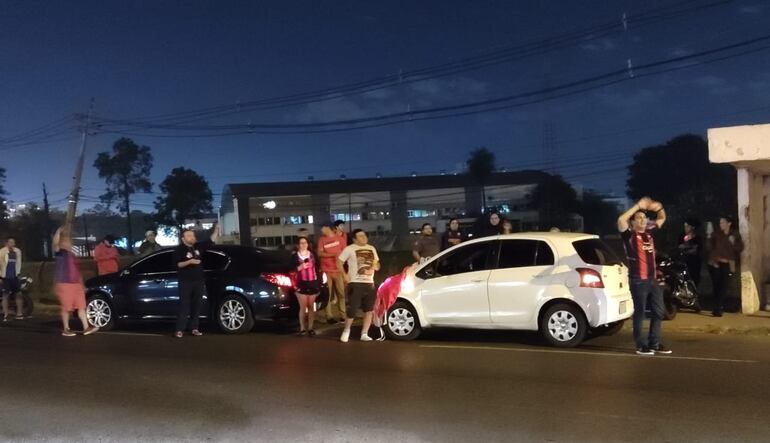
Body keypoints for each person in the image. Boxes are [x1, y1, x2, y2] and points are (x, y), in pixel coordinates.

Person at [617, 197, 671, 356]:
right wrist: (638, 206)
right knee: (640, 313)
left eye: (644, 217)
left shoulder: (650, 232)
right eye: (638, 218)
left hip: (652, 279)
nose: (642, 220)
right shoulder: (629, 235)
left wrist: (659, 207)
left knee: (659, 311)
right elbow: (621, 219)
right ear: (633, 223)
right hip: (638, 280)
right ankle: (641, 344)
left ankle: (654, 342)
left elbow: (662, 218)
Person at [173, 224, 219, 338]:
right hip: (185, 282)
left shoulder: (198, 247)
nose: (192, 237)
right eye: (189, 236)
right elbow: (177, 264)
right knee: (184, 306)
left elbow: (211, 239)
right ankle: (179, 330)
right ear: (183, 239)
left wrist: (217, 229)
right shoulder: (179, 249)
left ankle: (194, 328)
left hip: (199, 281)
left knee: (197, 305)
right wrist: (189, 262)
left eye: (193, 235)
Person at [53, 227, 98, 337]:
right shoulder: (60, 253)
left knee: (81, 306)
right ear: (62, 242)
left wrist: (81, 284)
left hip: (76, 284)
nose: (69, 243)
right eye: (66, 241)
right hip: (65, 283)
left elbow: (77, 271)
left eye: (69, 241)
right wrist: (58, 232)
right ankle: (66, 329)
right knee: (67, 308)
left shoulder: (72, 255)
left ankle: (86, 327)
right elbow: (55, 244)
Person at [337, 229, 380, 343]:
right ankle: (346, 331)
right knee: (352, 309)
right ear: (354, 239)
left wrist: (375, 267)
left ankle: (364, 333)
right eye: (360, 236)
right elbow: (339, 261)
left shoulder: (371, 248)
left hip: (369, 282)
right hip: (355, 282)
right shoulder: (350, 249)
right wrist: (345, 275)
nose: (364, 237)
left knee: (369, 310)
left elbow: (377, 263)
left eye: (364, 235)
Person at [708, 216, 743, 317]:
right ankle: (717, 308)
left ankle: (718, 307)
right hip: (715, 263)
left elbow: (740, 248)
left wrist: (733, 242)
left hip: (728, 263)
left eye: (723, 222)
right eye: (720, 223)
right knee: (716, 286)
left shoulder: (734, 235)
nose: (721, 224)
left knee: (724, 285)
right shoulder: (717, 234)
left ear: (729, 223)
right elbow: (710, 246)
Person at [317, 223, 346, 324]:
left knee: (341, 293)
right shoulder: (322, 240)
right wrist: (333, 254)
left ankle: (343, 315)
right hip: (326, 270)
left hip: (338, 270)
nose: (321, 230)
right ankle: (329, 316)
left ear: (328, 228)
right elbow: (320, 253)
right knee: (327, 294)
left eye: (322, 227)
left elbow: (344, 252)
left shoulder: (340, 239)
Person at [293, 237, 320, 336]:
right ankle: (302, 328)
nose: (303, 244)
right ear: (298, 245)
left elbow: (318, 268)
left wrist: (319, 283)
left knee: (311, 306)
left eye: (305, 242)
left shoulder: (313, 255)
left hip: (312, 282)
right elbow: (291, 269)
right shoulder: (295, 256)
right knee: (303, 307)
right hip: (301, 283)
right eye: (301, 243)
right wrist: (300, 267)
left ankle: (311, 328)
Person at [0, 238, 24, 321]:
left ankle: (19, 313)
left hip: (15, 276)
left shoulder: (17, 251)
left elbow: (19, 263)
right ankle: (6, 314)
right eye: (10, 242)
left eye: (14, 242)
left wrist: (19, 274)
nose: (12, 244)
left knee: (19, 294)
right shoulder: (2, 252)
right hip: (5, 277)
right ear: (6, 243)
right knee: (5, 295)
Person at [678, 218, 703, 288]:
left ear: (692, 227)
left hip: (695, 261)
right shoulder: (682, 235)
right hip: (684, 261)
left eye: (687, 226)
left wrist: (689, 248)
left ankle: (694, 291)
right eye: (684, 226)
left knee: (695, 277)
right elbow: (680, 246)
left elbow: (697, 249)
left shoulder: (697, 237)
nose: (685, 228)